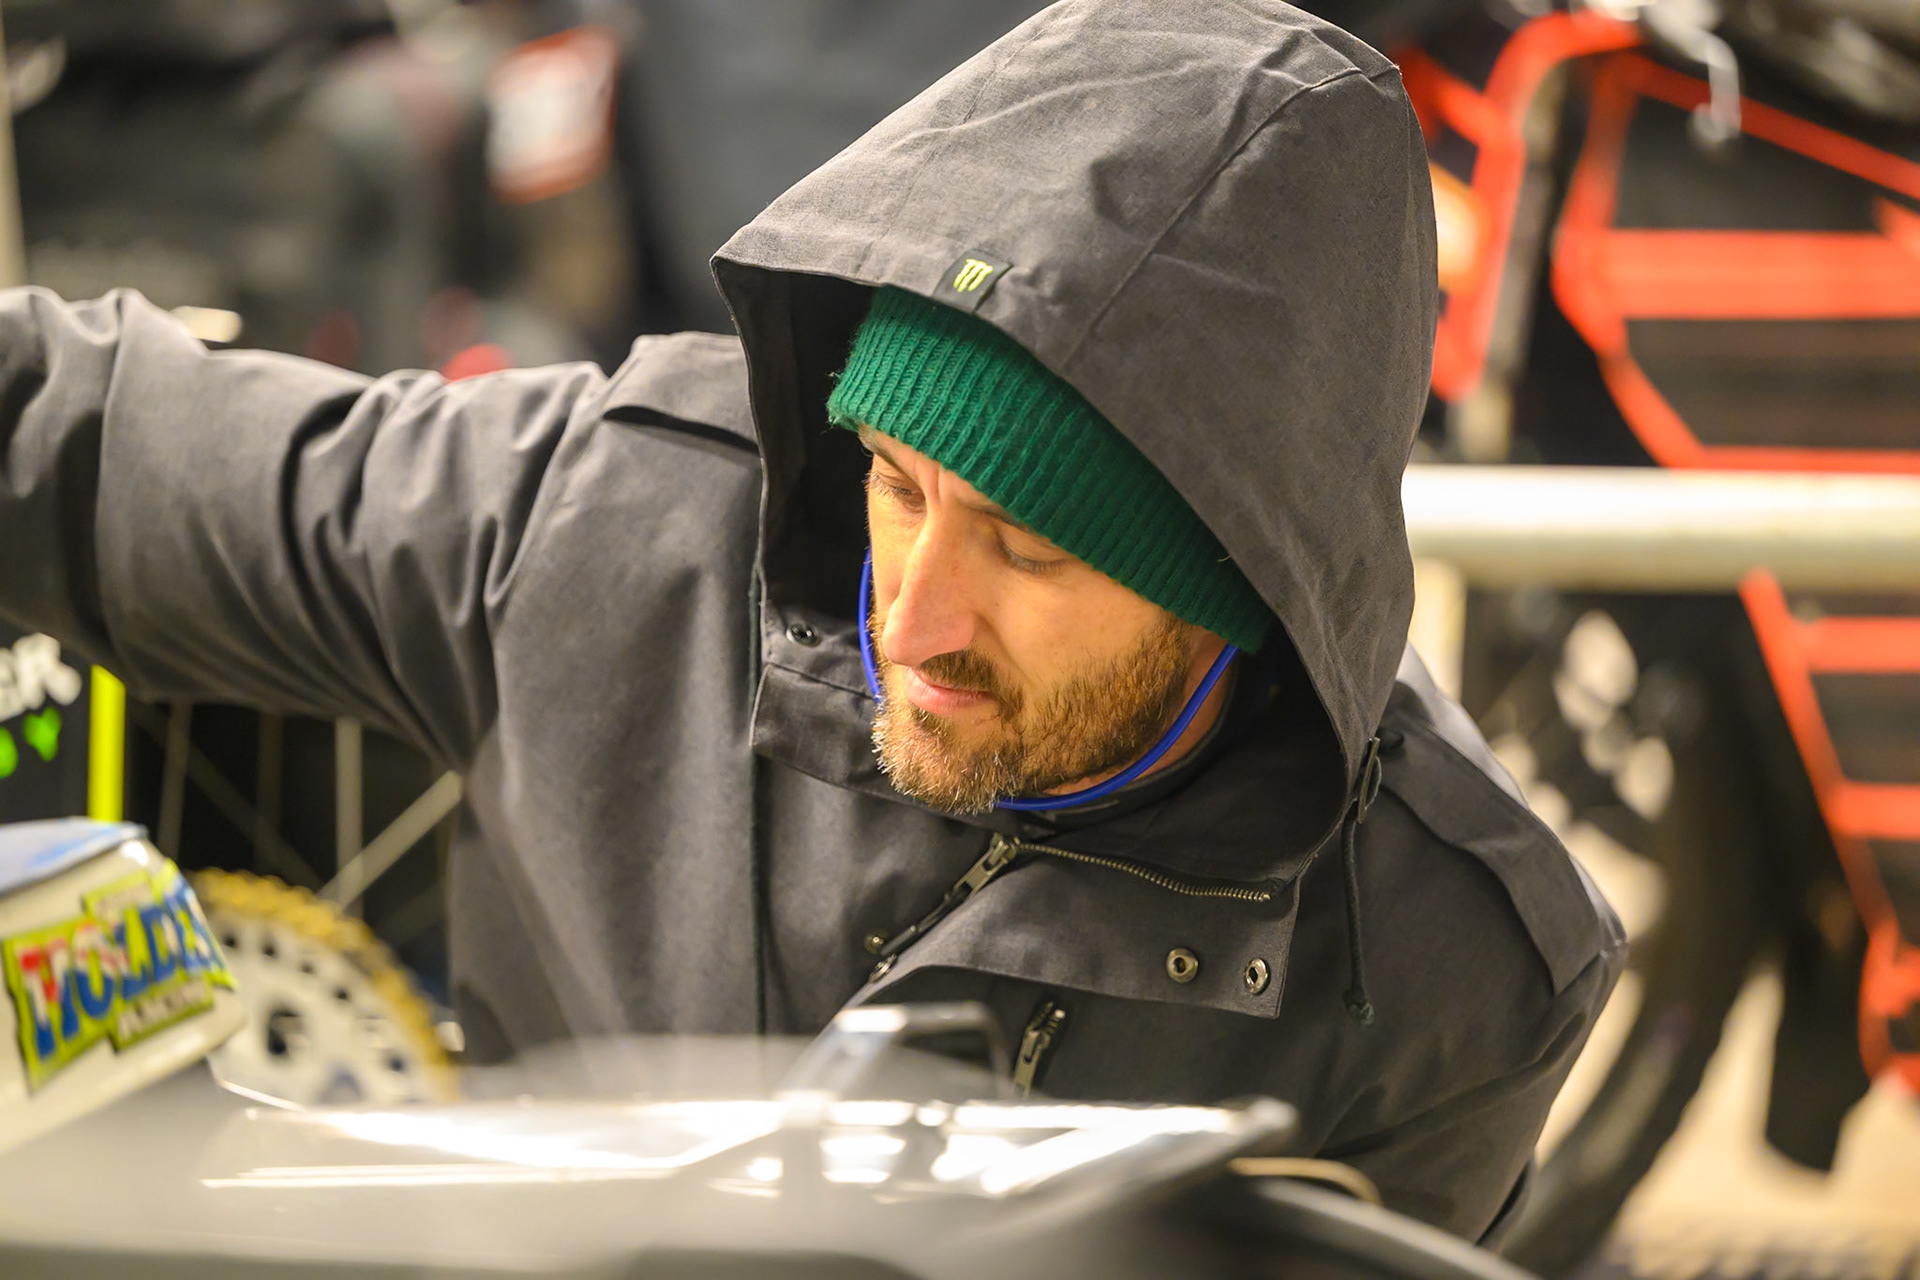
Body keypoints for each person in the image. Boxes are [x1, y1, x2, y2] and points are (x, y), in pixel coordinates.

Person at [0, 0, 1620, 1244]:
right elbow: (73, 435)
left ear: (1241, 589)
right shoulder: (612, 531)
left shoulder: (1452, 979)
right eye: (897, 486)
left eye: (1030, 553)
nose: (906, 618)